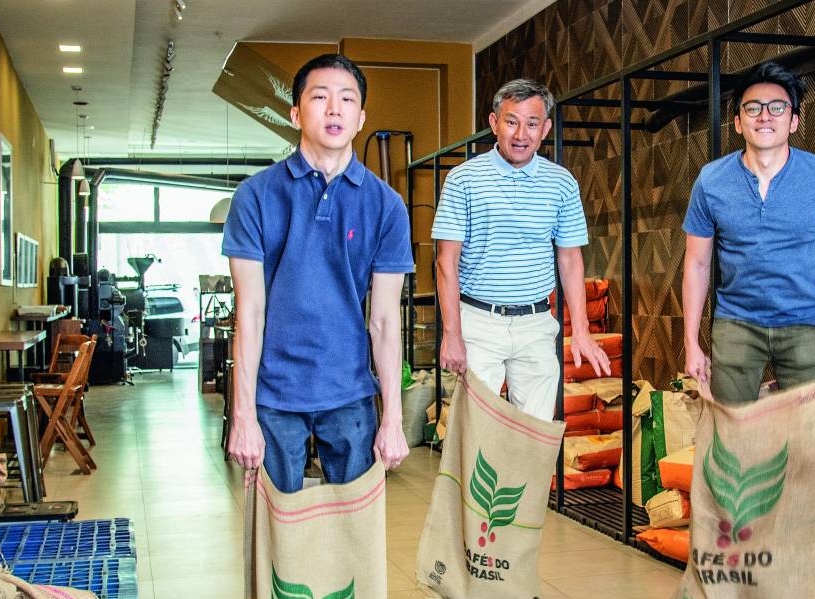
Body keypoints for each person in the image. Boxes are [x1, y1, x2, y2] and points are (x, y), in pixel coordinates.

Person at [223, 53, 411, 491]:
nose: (333, 109)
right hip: (273, 396)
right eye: (320, 97)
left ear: (361, 117)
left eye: (347, 99)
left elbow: (384, 321)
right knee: (274, 541)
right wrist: (243, 414)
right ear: (296, 112)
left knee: (354, 539)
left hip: (350, 393)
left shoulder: (387, 207)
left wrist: (394, 420)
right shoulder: (255, 197)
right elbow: (248, 316)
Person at [431, 78, 611, 421]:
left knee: (535, 434)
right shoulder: (463, 180)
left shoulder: (561, 183)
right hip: (479, 322)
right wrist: (452, 334)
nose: (521, 134)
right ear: (493, 123)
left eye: (531, 124)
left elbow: (570, 259)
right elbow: (446, 262)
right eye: (511, 122)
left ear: (544, 129)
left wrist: (583, 331)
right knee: (477, 433)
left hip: (536, 323)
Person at [682, 61, 815, 405]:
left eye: (777, 108)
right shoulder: (711, 181)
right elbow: (696, 265)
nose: (765, 116)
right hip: (735, 323)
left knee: (806, 440)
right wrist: (691, 342)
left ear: (793, 121)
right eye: (753, 108)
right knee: (728, 438)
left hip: (804, 323)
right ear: (737, 122)